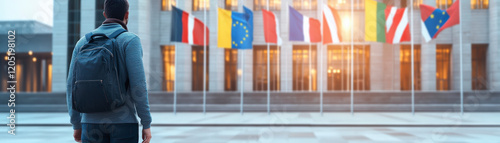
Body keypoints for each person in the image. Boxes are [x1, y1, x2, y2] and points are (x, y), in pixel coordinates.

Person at [66, 0, 152, 142]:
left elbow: (71, 85)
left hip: (90, 124)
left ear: (105, 14)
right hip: (124, 124)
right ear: (127, 14)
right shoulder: (130, 40)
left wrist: (76, 123)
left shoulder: (82, 42)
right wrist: (146, 122)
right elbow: (139, 85)